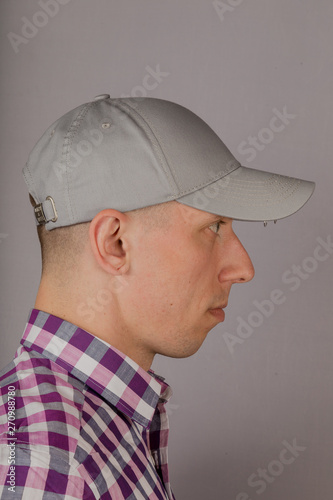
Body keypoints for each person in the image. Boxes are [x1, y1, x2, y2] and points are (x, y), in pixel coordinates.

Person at [0, 95, 315, 499]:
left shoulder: (91, 428)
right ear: (115, 243)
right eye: (214, 226)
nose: (243, 268)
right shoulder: (45, 461)